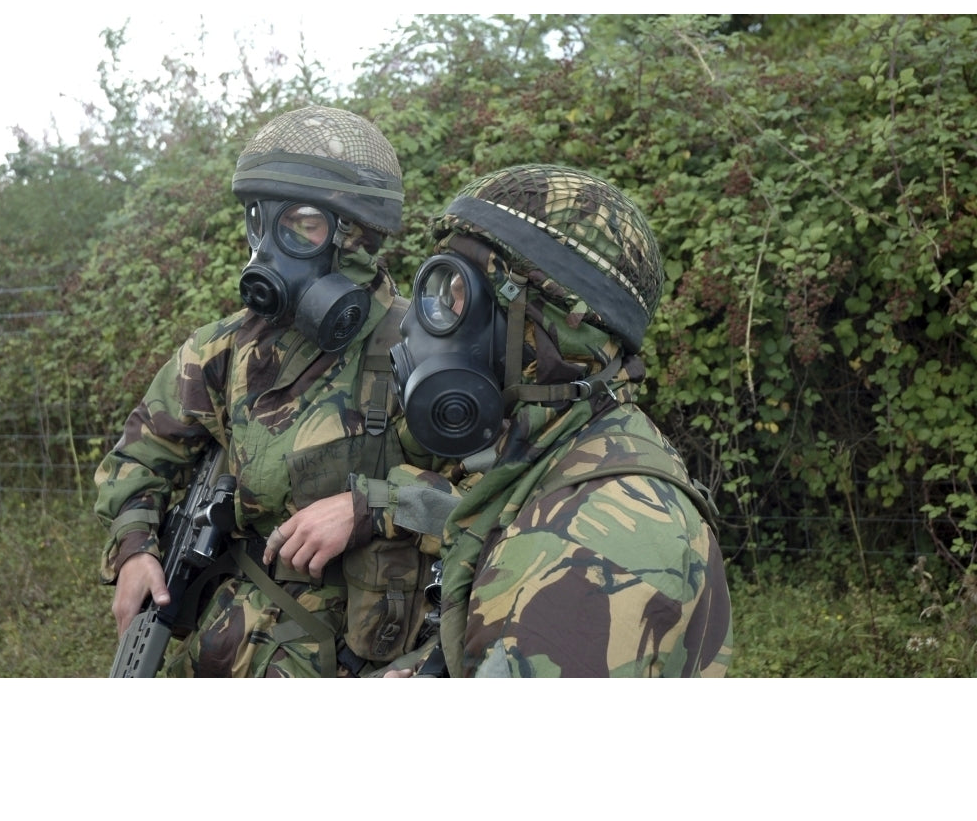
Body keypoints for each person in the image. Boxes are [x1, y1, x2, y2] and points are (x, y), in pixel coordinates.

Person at [95, 104, 442, 678]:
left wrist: (372, 506)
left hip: (366, 657)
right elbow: (138, 456)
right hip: (228, 644)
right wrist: (134, 548)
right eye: (260, 220)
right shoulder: (225, 350)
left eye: (300, 222)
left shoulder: (422, 351)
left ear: (353, 233)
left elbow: (493, 500)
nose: (268, 246)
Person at [385, 163, 733, 677]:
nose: (422, 322)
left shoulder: (587, 555)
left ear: (543, 333)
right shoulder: (575, 448)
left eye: (457, 295)